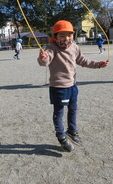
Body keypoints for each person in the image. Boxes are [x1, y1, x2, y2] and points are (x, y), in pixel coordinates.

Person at [38, 20, 109, 152]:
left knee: (73, 109)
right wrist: (42, 58)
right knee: (59, 112)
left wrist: (98, 64)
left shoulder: (74, 47)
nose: (66, 38)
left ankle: (72, 131)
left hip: (73, 85)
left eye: (69, 35)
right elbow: (44, 62)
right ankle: (61, 136)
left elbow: (83, 60)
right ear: (56, 36)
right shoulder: (51, 48)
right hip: (59, 87)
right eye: (62, 35)